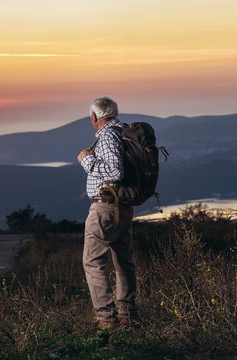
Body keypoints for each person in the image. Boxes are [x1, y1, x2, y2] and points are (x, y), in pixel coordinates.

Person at [77, 96, 137, 329]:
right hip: (123, 207)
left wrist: (87, 160)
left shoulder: (109, 135)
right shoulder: (123, 131)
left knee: (92, 261)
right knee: (124, 261)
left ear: (94, 117)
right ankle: (128, 314)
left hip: (106, 207)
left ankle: (107, 318)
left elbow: (114, 172)